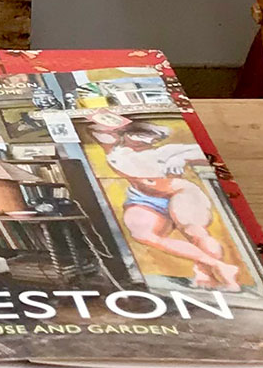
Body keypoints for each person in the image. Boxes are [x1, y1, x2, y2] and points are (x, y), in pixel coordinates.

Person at [85, 116, 243, 292]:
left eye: (147, 134)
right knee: (142, 234)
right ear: (125, 133)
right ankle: (218, 265)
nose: (141, 138)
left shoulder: (166, 151)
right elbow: (96, 128)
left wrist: (182, 160)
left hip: (179, 192)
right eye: (137, 132)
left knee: (195, 232)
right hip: (142, 198)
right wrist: (116, 120)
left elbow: (204, 151)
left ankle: (207, 274)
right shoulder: (115, 151)